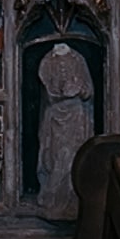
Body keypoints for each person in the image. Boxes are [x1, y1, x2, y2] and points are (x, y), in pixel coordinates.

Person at [35, 41, 95, 219]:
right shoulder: (47, 62)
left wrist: (79, 89)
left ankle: (74, 201)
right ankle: (53, 200)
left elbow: (88, 90)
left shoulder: (78, 59)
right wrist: (63, 91)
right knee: (54, 156)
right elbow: (50, 93)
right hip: (55, 117)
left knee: (74, 157)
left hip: (77, 116)